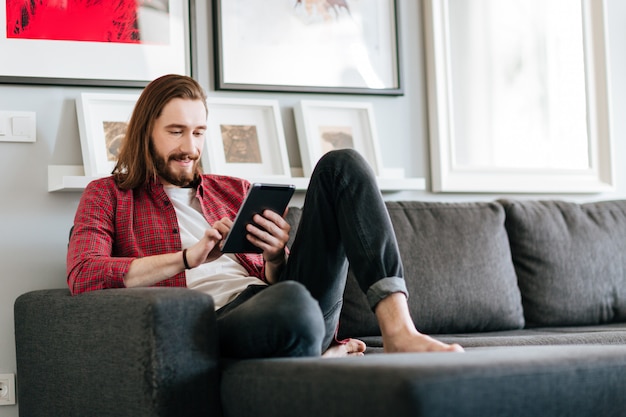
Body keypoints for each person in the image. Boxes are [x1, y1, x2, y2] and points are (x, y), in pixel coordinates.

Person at [67, 74, 463, 358]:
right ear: (145, 131)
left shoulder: (234, 190)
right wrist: (189, 257)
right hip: (214, 321)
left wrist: (275, 257)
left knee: (342, 165)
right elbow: (84, 274)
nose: (190, 147)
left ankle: (398, 330)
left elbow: (278, 279)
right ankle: (318, 348)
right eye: (176, 132)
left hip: (281, 300)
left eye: (199, 132)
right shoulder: (108, 195)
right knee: (291, 303)